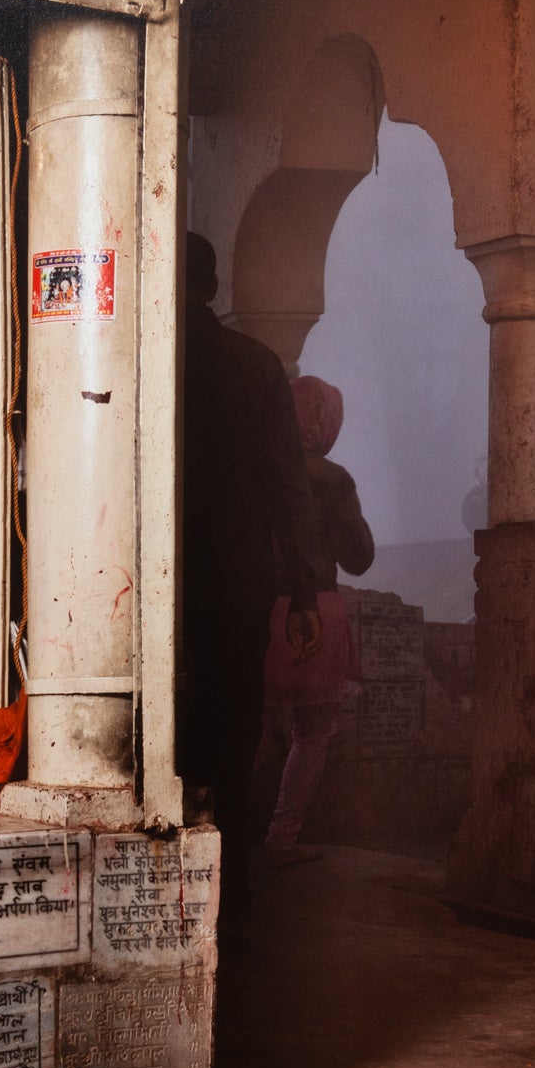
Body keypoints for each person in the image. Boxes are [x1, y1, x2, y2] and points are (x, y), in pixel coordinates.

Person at [179, 232, 322, 892]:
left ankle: (168, 880)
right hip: (237, 580)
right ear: (215, 287)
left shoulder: (140, 352)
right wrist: (304, 592)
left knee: (160, 728)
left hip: (151, 582)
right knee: (233, 726)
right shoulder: (258, 364)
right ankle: (229, 886)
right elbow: (287, 485)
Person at [257, 375, 374, 867]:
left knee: (254, 724)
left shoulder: (256, 469)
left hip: (258, 608)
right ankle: (282, 837)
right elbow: (360, 559)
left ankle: (234, 833)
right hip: (317, 612)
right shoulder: (333, 478)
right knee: (314, 731)